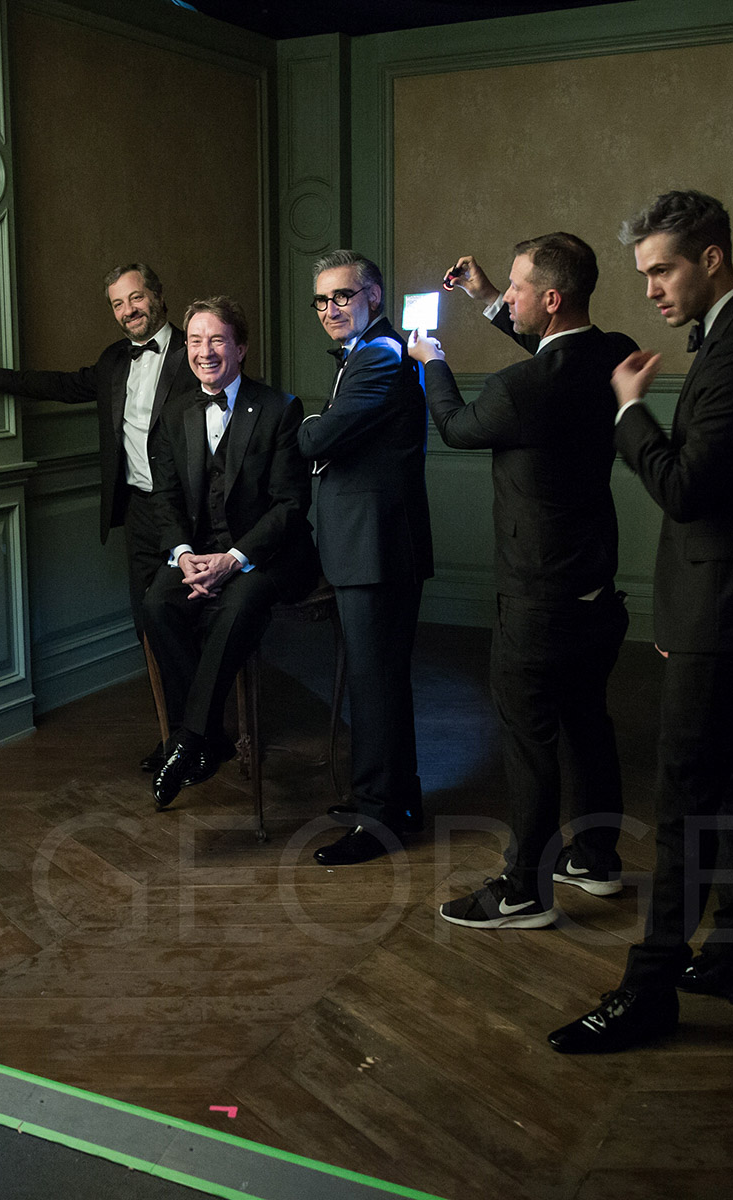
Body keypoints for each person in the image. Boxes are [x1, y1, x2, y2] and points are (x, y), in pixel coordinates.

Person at [550, 190, 733, 1054]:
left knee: (685, 801)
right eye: (644, 273)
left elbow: (684, 489)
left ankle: (651, 987)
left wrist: (628, 410)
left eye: (662, 269)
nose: (652, 289)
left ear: (710, 257)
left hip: (725, 608)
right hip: (725, 601)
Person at [408, 233, 636, 927]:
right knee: (587, 722)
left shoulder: (518, 389)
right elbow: (553, 354)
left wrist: (432, 360)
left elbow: (454, 426)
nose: (506, 295)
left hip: (537, 600)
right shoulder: (610, 350)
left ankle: (522, 891)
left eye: (514, 288)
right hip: (598, 589)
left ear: (553, 297)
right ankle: (596, 857)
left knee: (529, 739)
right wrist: (482, 299)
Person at [0, 265, 197, 772]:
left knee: (191, 622)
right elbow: (66, 386)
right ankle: (175, 735)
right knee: (148, 625)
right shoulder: (114, 360)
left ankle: (202, 733)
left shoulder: (194, 349)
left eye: (136, 298)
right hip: (139, 512)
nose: (128, 310)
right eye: (118, 304)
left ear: (158, 296)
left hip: (192, 512)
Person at [141, 296, 317, 809]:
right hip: (200, 553)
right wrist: (182, 554)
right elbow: (166, 497)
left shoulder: (280, 409)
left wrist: (234, 559)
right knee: (156, 603)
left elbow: (289, 505)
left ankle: (191, 740)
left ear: (240, 346)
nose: (204, 351)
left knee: (238, 607)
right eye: (195, 341)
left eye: (217, 339)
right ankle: (210, 736)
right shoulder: (176, 413)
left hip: (271, 554)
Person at [300, 249, 433, 866]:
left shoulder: (378, 354)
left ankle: (380, 821)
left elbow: (320, 437)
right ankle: (395, 803)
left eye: (343, 296)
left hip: (376, 548)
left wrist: (303, 425)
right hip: (369, 545)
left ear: (373, 297)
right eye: (322, 300)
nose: (331, 309)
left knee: (375, 686)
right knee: (377, 682)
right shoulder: (371, 351)